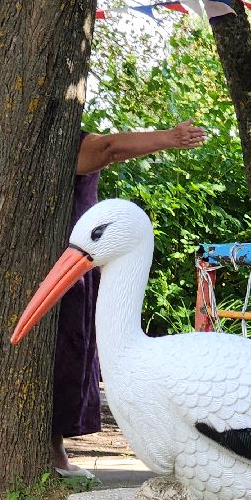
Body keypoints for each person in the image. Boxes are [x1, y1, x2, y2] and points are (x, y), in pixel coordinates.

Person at [51, 121, 206, 479]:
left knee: (73, 353)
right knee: (66, 352)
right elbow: (109, 148)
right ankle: (55, 455)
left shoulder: (58, 143)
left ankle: (55, 451)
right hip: (68, 268)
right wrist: (169, 138)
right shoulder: (66, 143)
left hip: (75, 266)